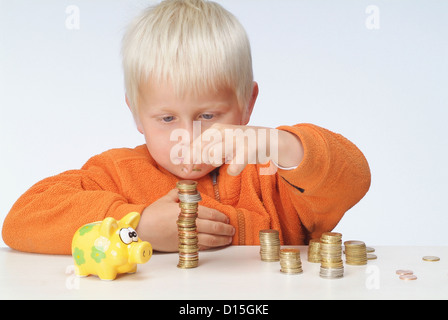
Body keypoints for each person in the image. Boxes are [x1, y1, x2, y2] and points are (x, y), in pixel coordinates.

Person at [2, 0, 371, 255]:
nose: (190, 136)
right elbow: (23, 221)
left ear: (247, 105)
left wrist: (284, 145)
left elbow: (353, 179)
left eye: (208, 116)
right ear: (136, 115)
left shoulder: (273, 173)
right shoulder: (115, 173)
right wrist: (136, 227)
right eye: (166, 119)